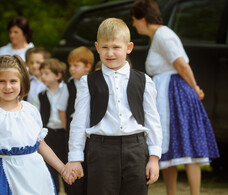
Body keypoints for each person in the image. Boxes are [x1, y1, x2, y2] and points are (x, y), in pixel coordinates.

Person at [62, 18, 162, 195]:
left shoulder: (144, 80)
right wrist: (75, 158)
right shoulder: (88, 82)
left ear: (128, 48)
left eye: (116, 47)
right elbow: (79, 121)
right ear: (97, 47)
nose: (110, 53)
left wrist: (154, 158)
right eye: (105, 47)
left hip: (136, 149)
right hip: (101, 151)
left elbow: (153, 120)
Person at [130, 1, 220, 195]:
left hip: (175, 94)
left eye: (134, 20)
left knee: (187, 144)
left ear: (143, 18)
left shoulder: (164, 35)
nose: (133, 25)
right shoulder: (157, 37)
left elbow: (181, 64)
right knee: (169, 146)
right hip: (165, 93)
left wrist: (195, 88)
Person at [0, 55, 78, 195]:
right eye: (2, 81)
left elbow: (42, 145)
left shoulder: (30, 110)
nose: (8, 86)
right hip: (5, 174)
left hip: (35, 172)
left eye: (13, 81)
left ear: (22, 82)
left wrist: (62, 169)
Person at [58, 46, 94, 195]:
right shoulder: (67, 86)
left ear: (88, 67)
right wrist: (69, 129)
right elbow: (61, 109)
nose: (72, 69)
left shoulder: (94, 83)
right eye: (70, 65)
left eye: (76, 65)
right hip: (74, 131)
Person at [32, 58, 69, 194]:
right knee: (50, 170)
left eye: (46, 73)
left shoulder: (67, 90)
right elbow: (36, 117)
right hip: (49, 135)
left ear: (58, 75)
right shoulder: (39, 96)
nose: (43, 77)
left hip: (65, 134)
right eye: (41, 74)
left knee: (68, 167)